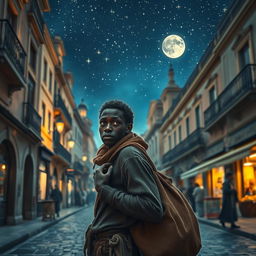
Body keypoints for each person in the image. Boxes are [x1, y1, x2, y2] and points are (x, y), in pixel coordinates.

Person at [84, 100, 163, 256]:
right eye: (103, 123)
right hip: (107, 245)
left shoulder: (128, 155)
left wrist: (104, 189)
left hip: (117, 247)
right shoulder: (112, 154)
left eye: (115, 122)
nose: (107, 128)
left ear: (128, 127)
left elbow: (152, 208)